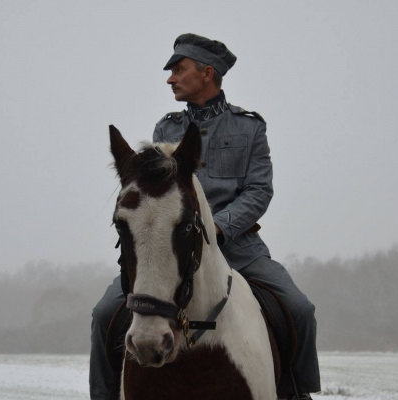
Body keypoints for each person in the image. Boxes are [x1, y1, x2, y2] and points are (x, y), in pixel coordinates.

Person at [90, 33, 320, 400]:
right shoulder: (166, 128)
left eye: (179, 70)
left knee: (299, 308)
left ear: (207, 73)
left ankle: (297, 391)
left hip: (238, 245)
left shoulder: (250, 127)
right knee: (104, 313)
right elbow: (156, 193)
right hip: (172, 246)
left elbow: (259, 191)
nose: (170, 79)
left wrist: (218, 227)